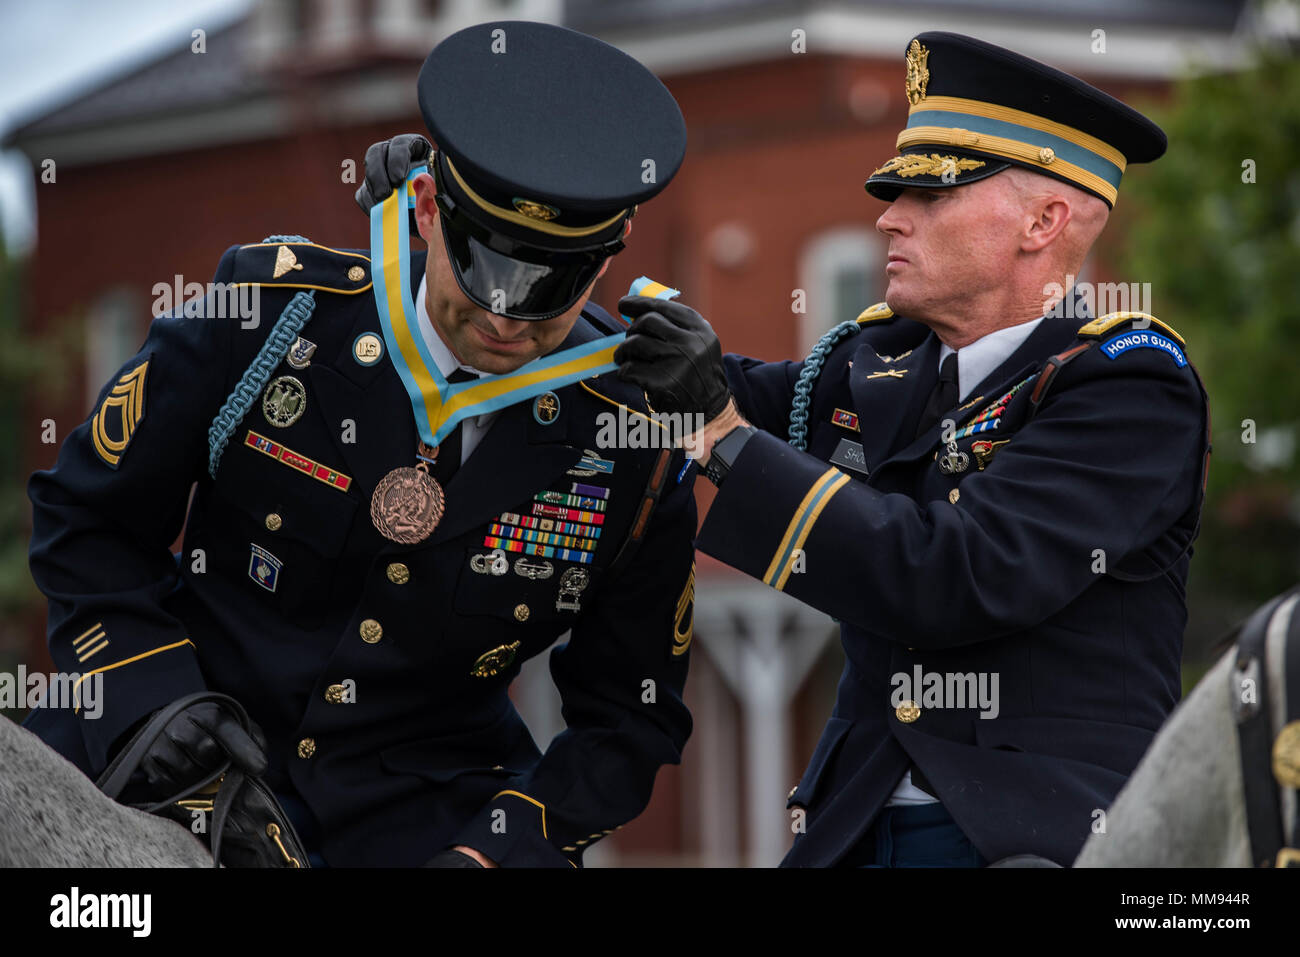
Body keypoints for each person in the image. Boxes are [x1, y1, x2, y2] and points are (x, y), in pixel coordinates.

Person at [24, 20, 697, 868]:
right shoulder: (271, 313)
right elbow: (86, 518)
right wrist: (149, 693)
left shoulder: (636, 436)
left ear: (605, 261)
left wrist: (500, 851)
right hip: (166, 748)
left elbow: (631, 715)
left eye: (549, 288)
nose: (503, 316)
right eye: (485, 270)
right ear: (423, 209)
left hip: (420, 823)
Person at [614, 32, 1212, 867]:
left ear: (1044, 222)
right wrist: (462, 249)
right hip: (851, 824)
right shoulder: (880, 360)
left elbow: (956, 577)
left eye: (932, 195)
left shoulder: (1131, 384)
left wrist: (719, 432)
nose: (890, 216)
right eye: (897, 191)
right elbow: (678, 376)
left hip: (1043, 838)